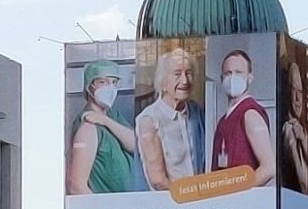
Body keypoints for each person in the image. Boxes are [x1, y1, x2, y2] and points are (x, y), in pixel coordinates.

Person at [136, 48, 205, 190]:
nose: (185, 81)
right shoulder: (149, 120)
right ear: (163, 82)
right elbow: (158, 180)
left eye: (189, 73)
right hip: (170, 204)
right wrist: (190, 197)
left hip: (200, 202)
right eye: (177, 74)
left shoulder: (196, 111)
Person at [67, 59, 136, 194]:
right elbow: (76, 187)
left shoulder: (113, 116)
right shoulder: (87, 127)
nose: (110, 88)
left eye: (114, 82)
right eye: (103, 82)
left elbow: (135, 146)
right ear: (90, 86)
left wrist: (105, 121)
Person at [210, 49, 274, 185]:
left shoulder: (250, 114)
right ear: (222, 79)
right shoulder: (224, 120)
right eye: (228, 73)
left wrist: (241, 194)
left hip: (240, 202)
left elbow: (269, 168)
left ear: (249, 78)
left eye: (238, 73)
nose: (232, 78)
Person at [280, 60, 308, 194]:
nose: (298, 99)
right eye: (294, 91)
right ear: (287, 92)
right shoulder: (289, 129)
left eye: (300, 92)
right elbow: (305, 184)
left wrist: (304, 141)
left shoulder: (301, 129)